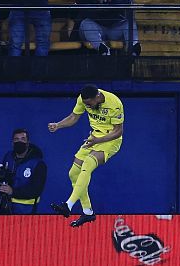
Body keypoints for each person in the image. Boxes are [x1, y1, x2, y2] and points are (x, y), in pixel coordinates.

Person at [48, 85, 124, 227]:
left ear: (98, 97)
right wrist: (58, 125)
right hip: (94, 137)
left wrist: (98, 140)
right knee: (73, 173)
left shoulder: (114, 103)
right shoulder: (83, 100)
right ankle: (88, 211)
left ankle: (68, 205)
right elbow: (74, 117)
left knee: (88, 163)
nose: (87, 106)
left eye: (89, 104)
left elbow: (118, 131)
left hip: (110, 141)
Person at [76, 0, 140, 56]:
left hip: (113, 28)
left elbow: (123, 8)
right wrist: (98, 2)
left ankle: (133, 48)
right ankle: (103, 49)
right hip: (95, 28)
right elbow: (85, 13)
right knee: (86, 24)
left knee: (129, 23)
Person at [0, 128, 48, 214]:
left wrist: (13, 191)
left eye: (23, 139)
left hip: (26, 210)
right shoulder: (8, 157)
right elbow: (3, 176)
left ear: (28, 143)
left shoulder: (38, 164)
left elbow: (36, 190)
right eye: (16, 139)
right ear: (12, 143)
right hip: (5, 206)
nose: (19, 142)